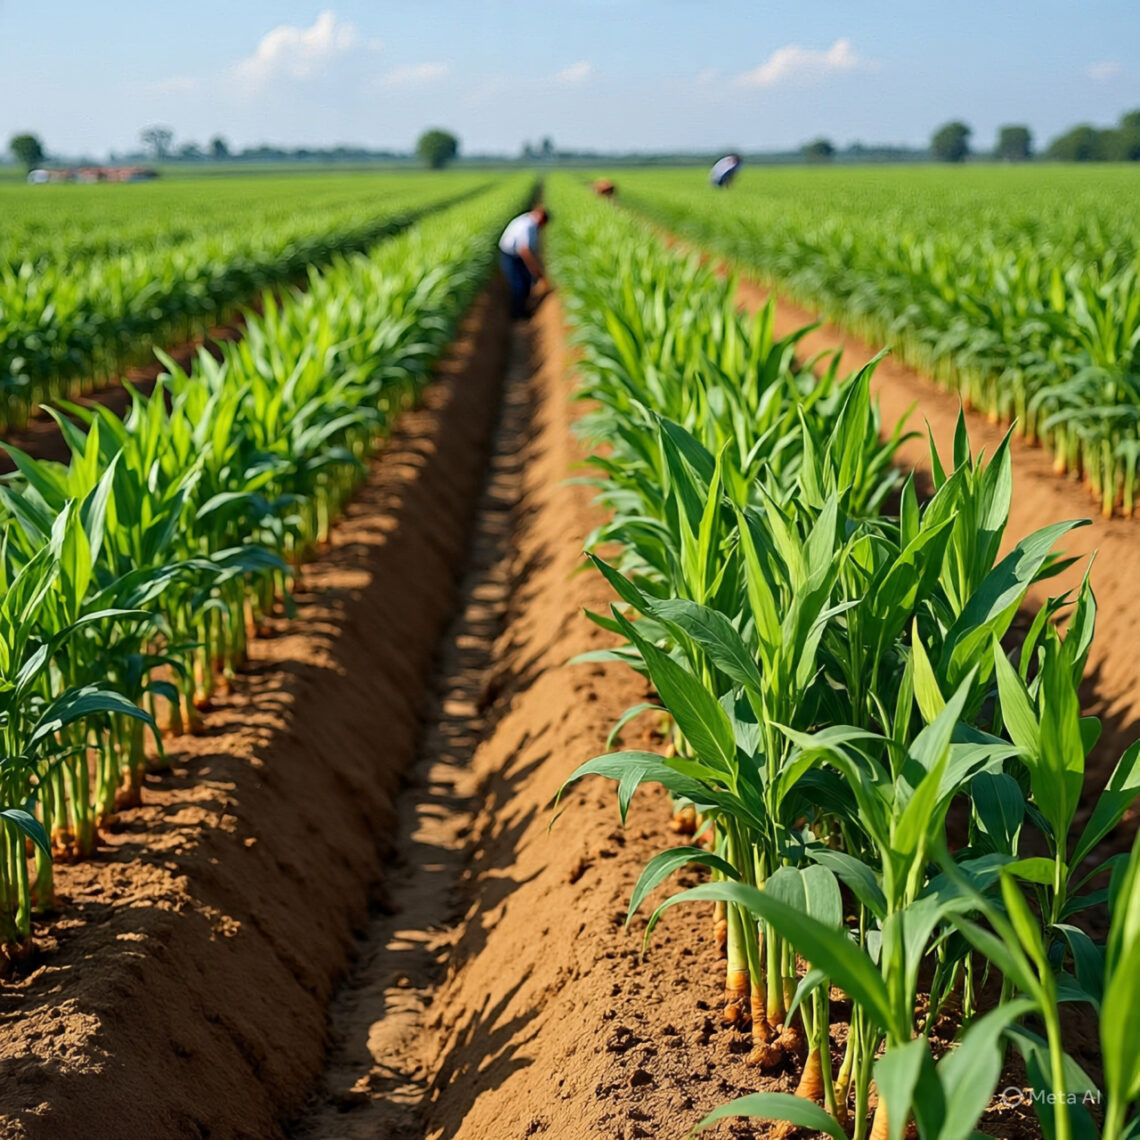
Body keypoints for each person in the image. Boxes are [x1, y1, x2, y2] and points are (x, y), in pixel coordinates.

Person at [498, 205, 550, 319]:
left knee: (526, 282)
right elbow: (524, 251)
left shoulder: (528, 221)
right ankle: (517, 315)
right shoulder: (527, 226)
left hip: (517, 256)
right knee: (518, 285)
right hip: (510, 257)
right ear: (541, 219)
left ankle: (522, 310)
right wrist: (534, 269)